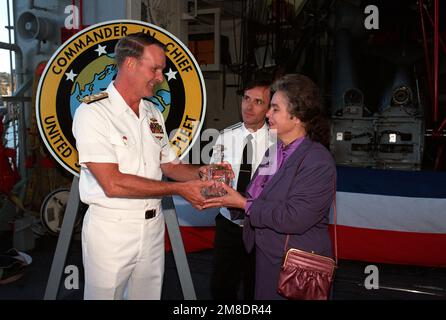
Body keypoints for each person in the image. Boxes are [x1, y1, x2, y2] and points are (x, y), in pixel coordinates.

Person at [72, 32, 215, 300]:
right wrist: (181, 190)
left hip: (152, 228)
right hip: (112, 229)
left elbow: (170, 165)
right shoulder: (93, 113)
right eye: (155, 68)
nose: (160, 77)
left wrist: (203, 173)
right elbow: (112, 183)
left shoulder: (152, 112)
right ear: (130, 64)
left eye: (162, 70)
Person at [204, 74, 336, 300]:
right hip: (266, 259)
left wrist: (241, 203)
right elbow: (257, 196)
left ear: (297, 116)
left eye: (274, 108)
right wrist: (219, 194)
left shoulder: (317, 161)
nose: (267, 114)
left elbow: (294, 217)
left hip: (293, 268)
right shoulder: (274, 152)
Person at [209, 78, 273, 300]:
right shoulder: (225, 137)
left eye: (258, 101)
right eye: (246, 98)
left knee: (257, 290)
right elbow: (213, 183)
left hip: (261, 229)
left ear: (268, 109)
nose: (249, 106)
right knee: (221, 288)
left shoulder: (279, 143)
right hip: (228, 224)